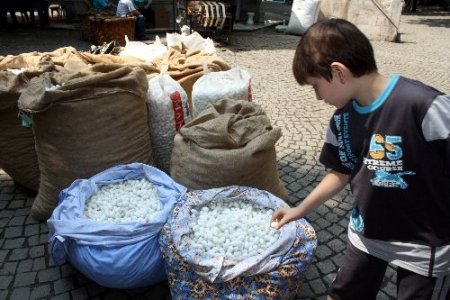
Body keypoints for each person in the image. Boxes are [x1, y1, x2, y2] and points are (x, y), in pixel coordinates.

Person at [271, 18, 450, 299]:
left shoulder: (424, 105)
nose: (317, 98)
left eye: (315, 86)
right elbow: (339, 172)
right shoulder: (341, 119)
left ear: (339, 72)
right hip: (367, 235)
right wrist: (300, 210)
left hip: (423, 246)